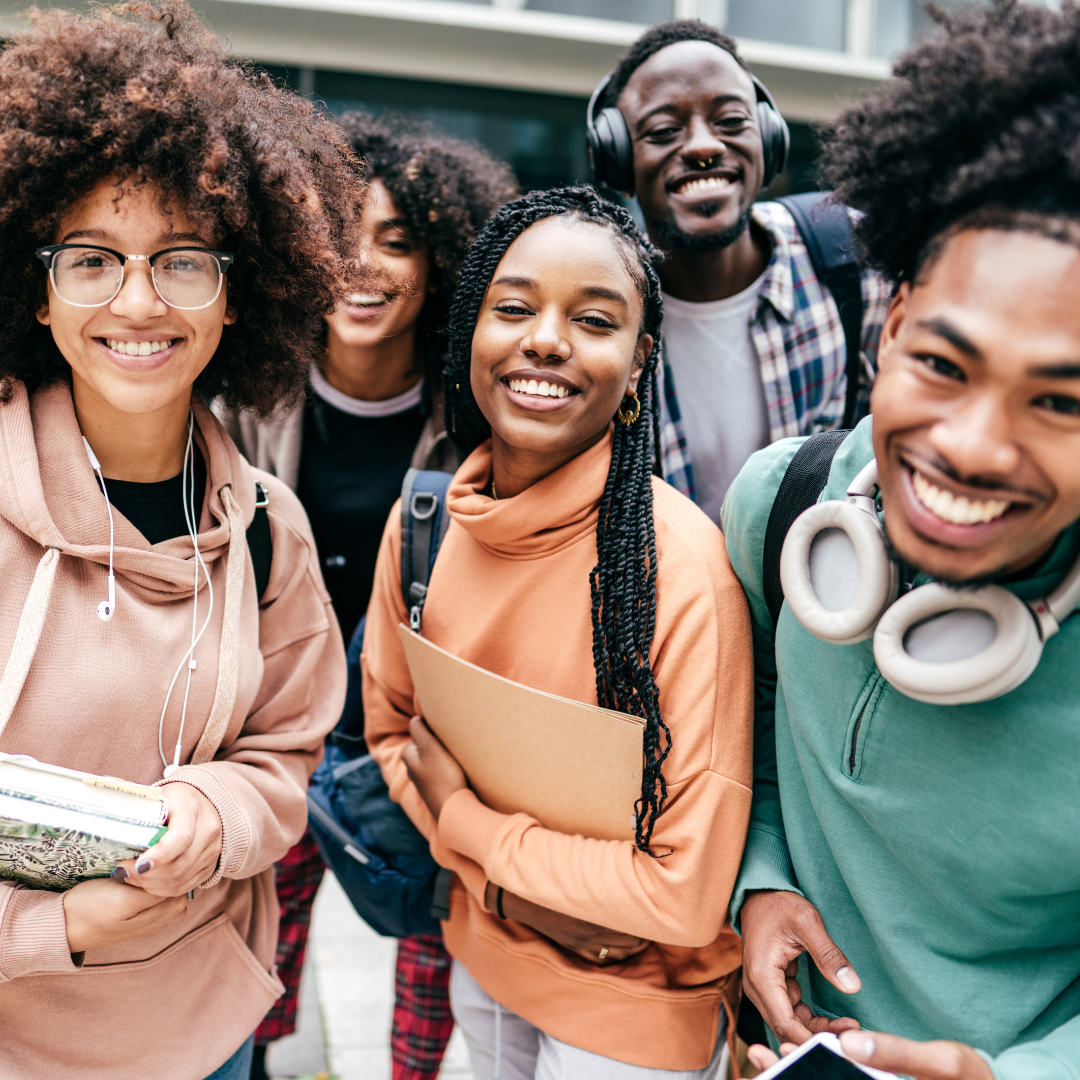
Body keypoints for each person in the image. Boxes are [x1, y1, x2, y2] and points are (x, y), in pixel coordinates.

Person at [721, 4, 1080, 1079]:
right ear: (891, 325)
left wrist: (1010, 1077)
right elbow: (746, 731)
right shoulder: (776, 503)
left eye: (1062, 402)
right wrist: (761, 878)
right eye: (944, 365)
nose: (972, 447)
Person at [0, 3, 357, 1077]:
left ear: (238, 295)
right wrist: (55, 932)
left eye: (183, 261)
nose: (140, 301)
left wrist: (214, 807)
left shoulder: (262, 526)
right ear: (44, 295)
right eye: (94, 261)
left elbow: (287, 754)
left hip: (204, 1030)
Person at [362, 186, 754, 1080]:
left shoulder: (680, 574)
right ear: (469, 331)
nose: (545, 338)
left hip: (635, 1019)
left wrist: (471, 832)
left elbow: (685, 897)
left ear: (638, 356)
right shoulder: (425, 525)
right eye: (514, 308)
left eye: (593, 318)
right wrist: (507, 892)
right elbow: (392, 736)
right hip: (485, 957)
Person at [220, 113, 516, 1080]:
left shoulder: (474, 407)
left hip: (419, 729)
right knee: (256, 950)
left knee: (428, 956)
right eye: (342, 232)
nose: (365, 263)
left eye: (398, 240)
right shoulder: (245, 393)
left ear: (439, 266)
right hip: (279, 719)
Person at [593, 20, 892, 523]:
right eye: (664, 131)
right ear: (618, 159)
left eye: (731, 120)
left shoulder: (856, 259)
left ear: (768, 136)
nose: (703, 147)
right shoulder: (599, 309)